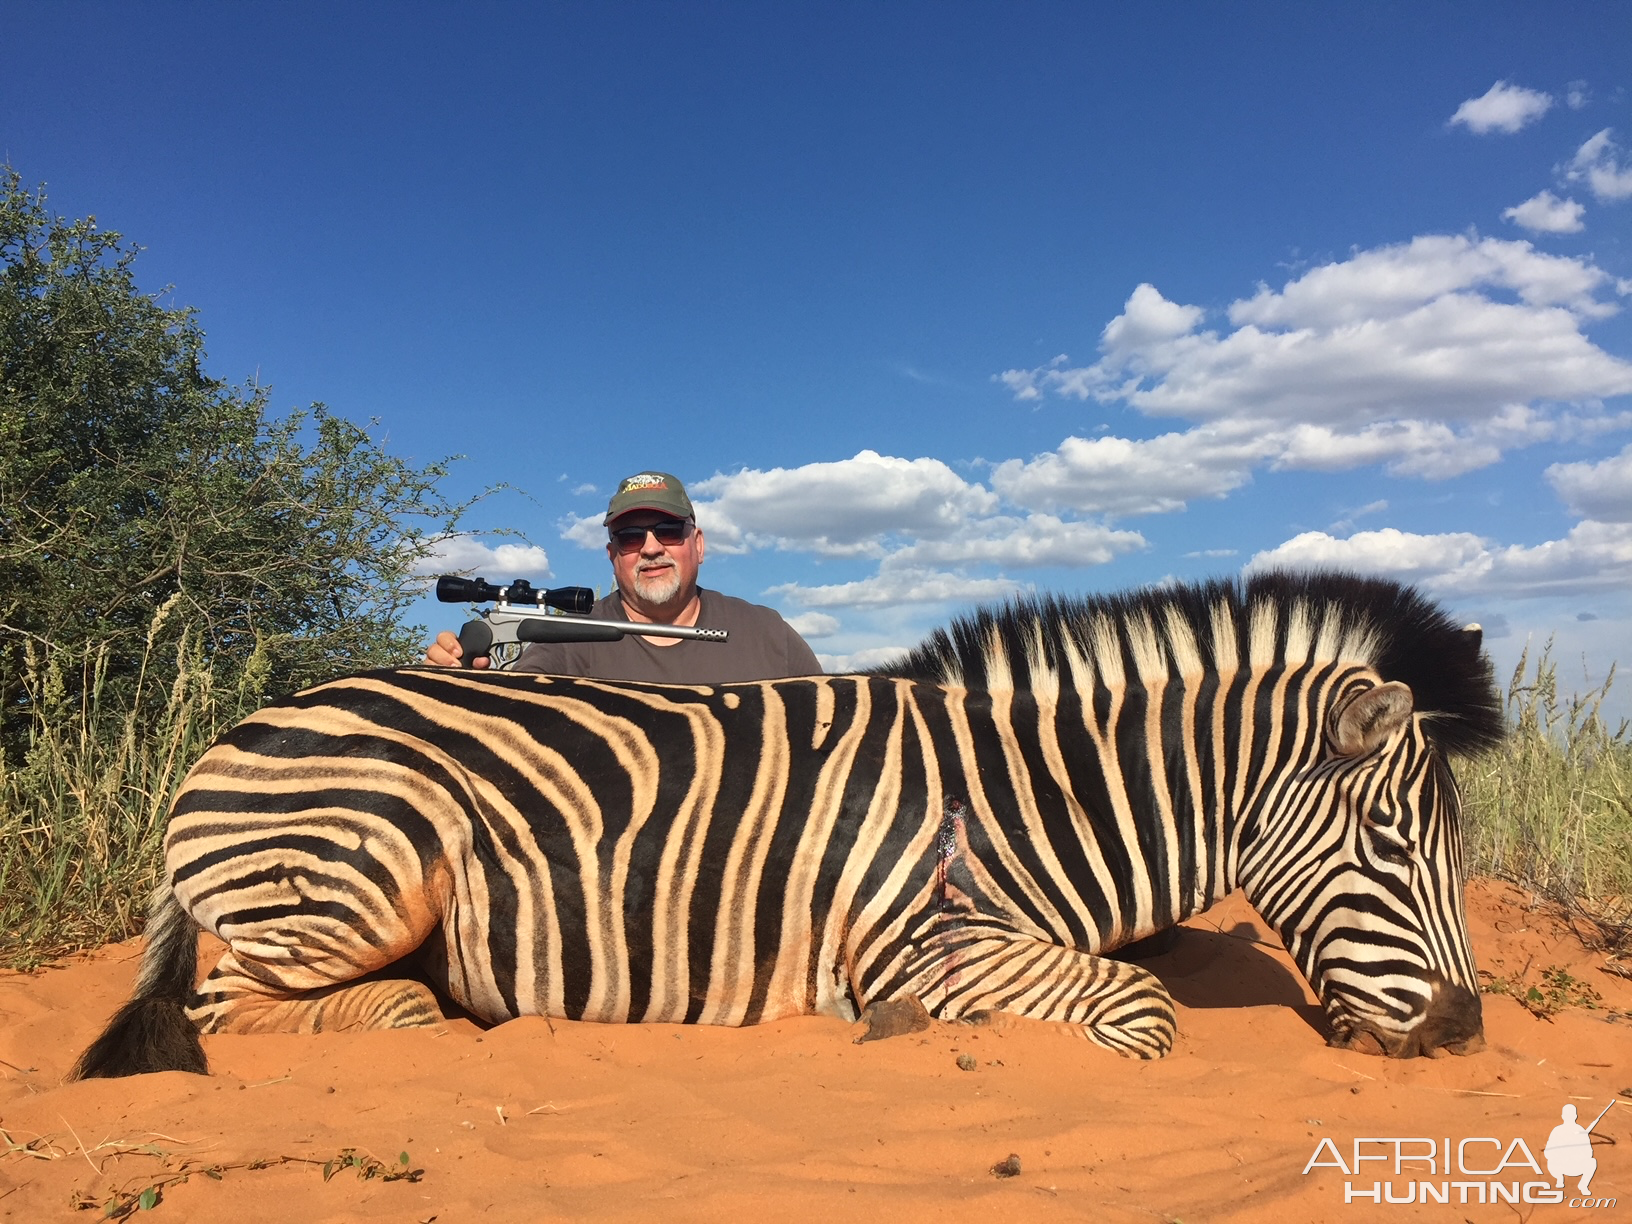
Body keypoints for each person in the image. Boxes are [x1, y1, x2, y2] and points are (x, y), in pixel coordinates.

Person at [424, 470, 822, 683]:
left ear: (698, 544)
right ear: (613, 555)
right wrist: (454, 683)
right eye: (630, 538)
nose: (651, 548)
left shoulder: (767, 633)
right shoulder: (565, 647)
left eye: (667, 532)